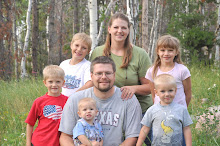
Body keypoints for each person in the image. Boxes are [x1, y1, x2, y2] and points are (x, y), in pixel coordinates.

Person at [59, 56, 142, 146]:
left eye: (108, 73)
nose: (103, 77)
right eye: (98, 73)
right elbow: (65, 136)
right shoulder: (75, 99)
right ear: (91, 76)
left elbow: (132, 137)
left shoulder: (127, 99)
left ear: (114, 75)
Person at [90, 12, 153, 115]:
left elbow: (151, 87)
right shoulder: (97, 52)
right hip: (108, 110)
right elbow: (92, 82)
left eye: (123, 28)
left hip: (139, 111)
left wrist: (134, 88)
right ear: (109, 29)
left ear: (128, 30)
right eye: (116, 27)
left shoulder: (140, 54)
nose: (119, 31)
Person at [136, 74, 193, 146]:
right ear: (156, 92)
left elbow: (187, 129)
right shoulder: (152, 110)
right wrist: (138, 144)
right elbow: (145, 128)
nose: (167, 94)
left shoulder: (182, 110)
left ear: (175, 90)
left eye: (170, 90)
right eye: (162, 91)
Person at [25, 65, 68, 146]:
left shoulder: (68, 101)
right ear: (45, 83)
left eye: (58, 81)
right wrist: (28, 143)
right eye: (50, 82)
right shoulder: (39, 102)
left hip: (58, 142)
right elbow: (30, 124)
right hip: (40, 142)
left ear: (63, 83)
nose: (54, 85)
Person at [145, 34, 192, 108]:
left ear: (176, 52)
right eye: (162, 50)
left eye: (170, 50)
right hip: (160, 112)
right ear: (157, 51)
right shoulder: (152, 71)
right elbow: (154, 95)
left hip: (178, 113)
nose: (166, 54)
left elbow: (188, 94)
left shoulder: (182, 70)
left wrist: (182, 110)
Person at [60, 33, 93, 97]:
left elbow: (90, 84)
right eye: (77, 45)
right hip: (63, 101)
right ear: (71, 45)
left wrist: (72, 97)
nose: (79, 49)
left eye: (84, 48)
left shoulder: (87, 66)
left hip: (80, 101)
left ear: (88, 51)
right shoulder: (63, 64)